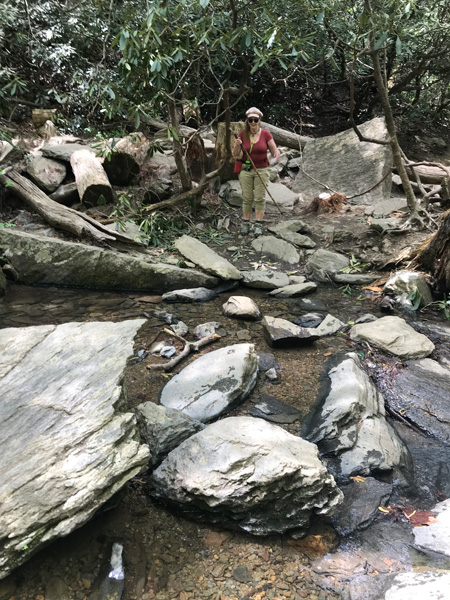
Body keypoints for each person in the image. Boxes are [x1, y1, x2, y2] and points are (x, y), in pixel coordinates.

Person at [233, 107, 280, 236]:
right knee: (247, 197)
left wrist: (276, 153)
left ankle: (258, 224)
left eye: (255, 120)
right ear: (247, 121)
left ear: (259, 120)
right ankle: (246, 223)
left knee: (259, 197)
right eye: (250, 120)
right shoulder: (242, 134)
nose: (253, 123)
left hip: (262, 169)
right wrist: (237, 145)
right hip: (246, 170)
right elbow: (235, 154)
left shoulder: (266, 134)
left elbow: (273, 149)